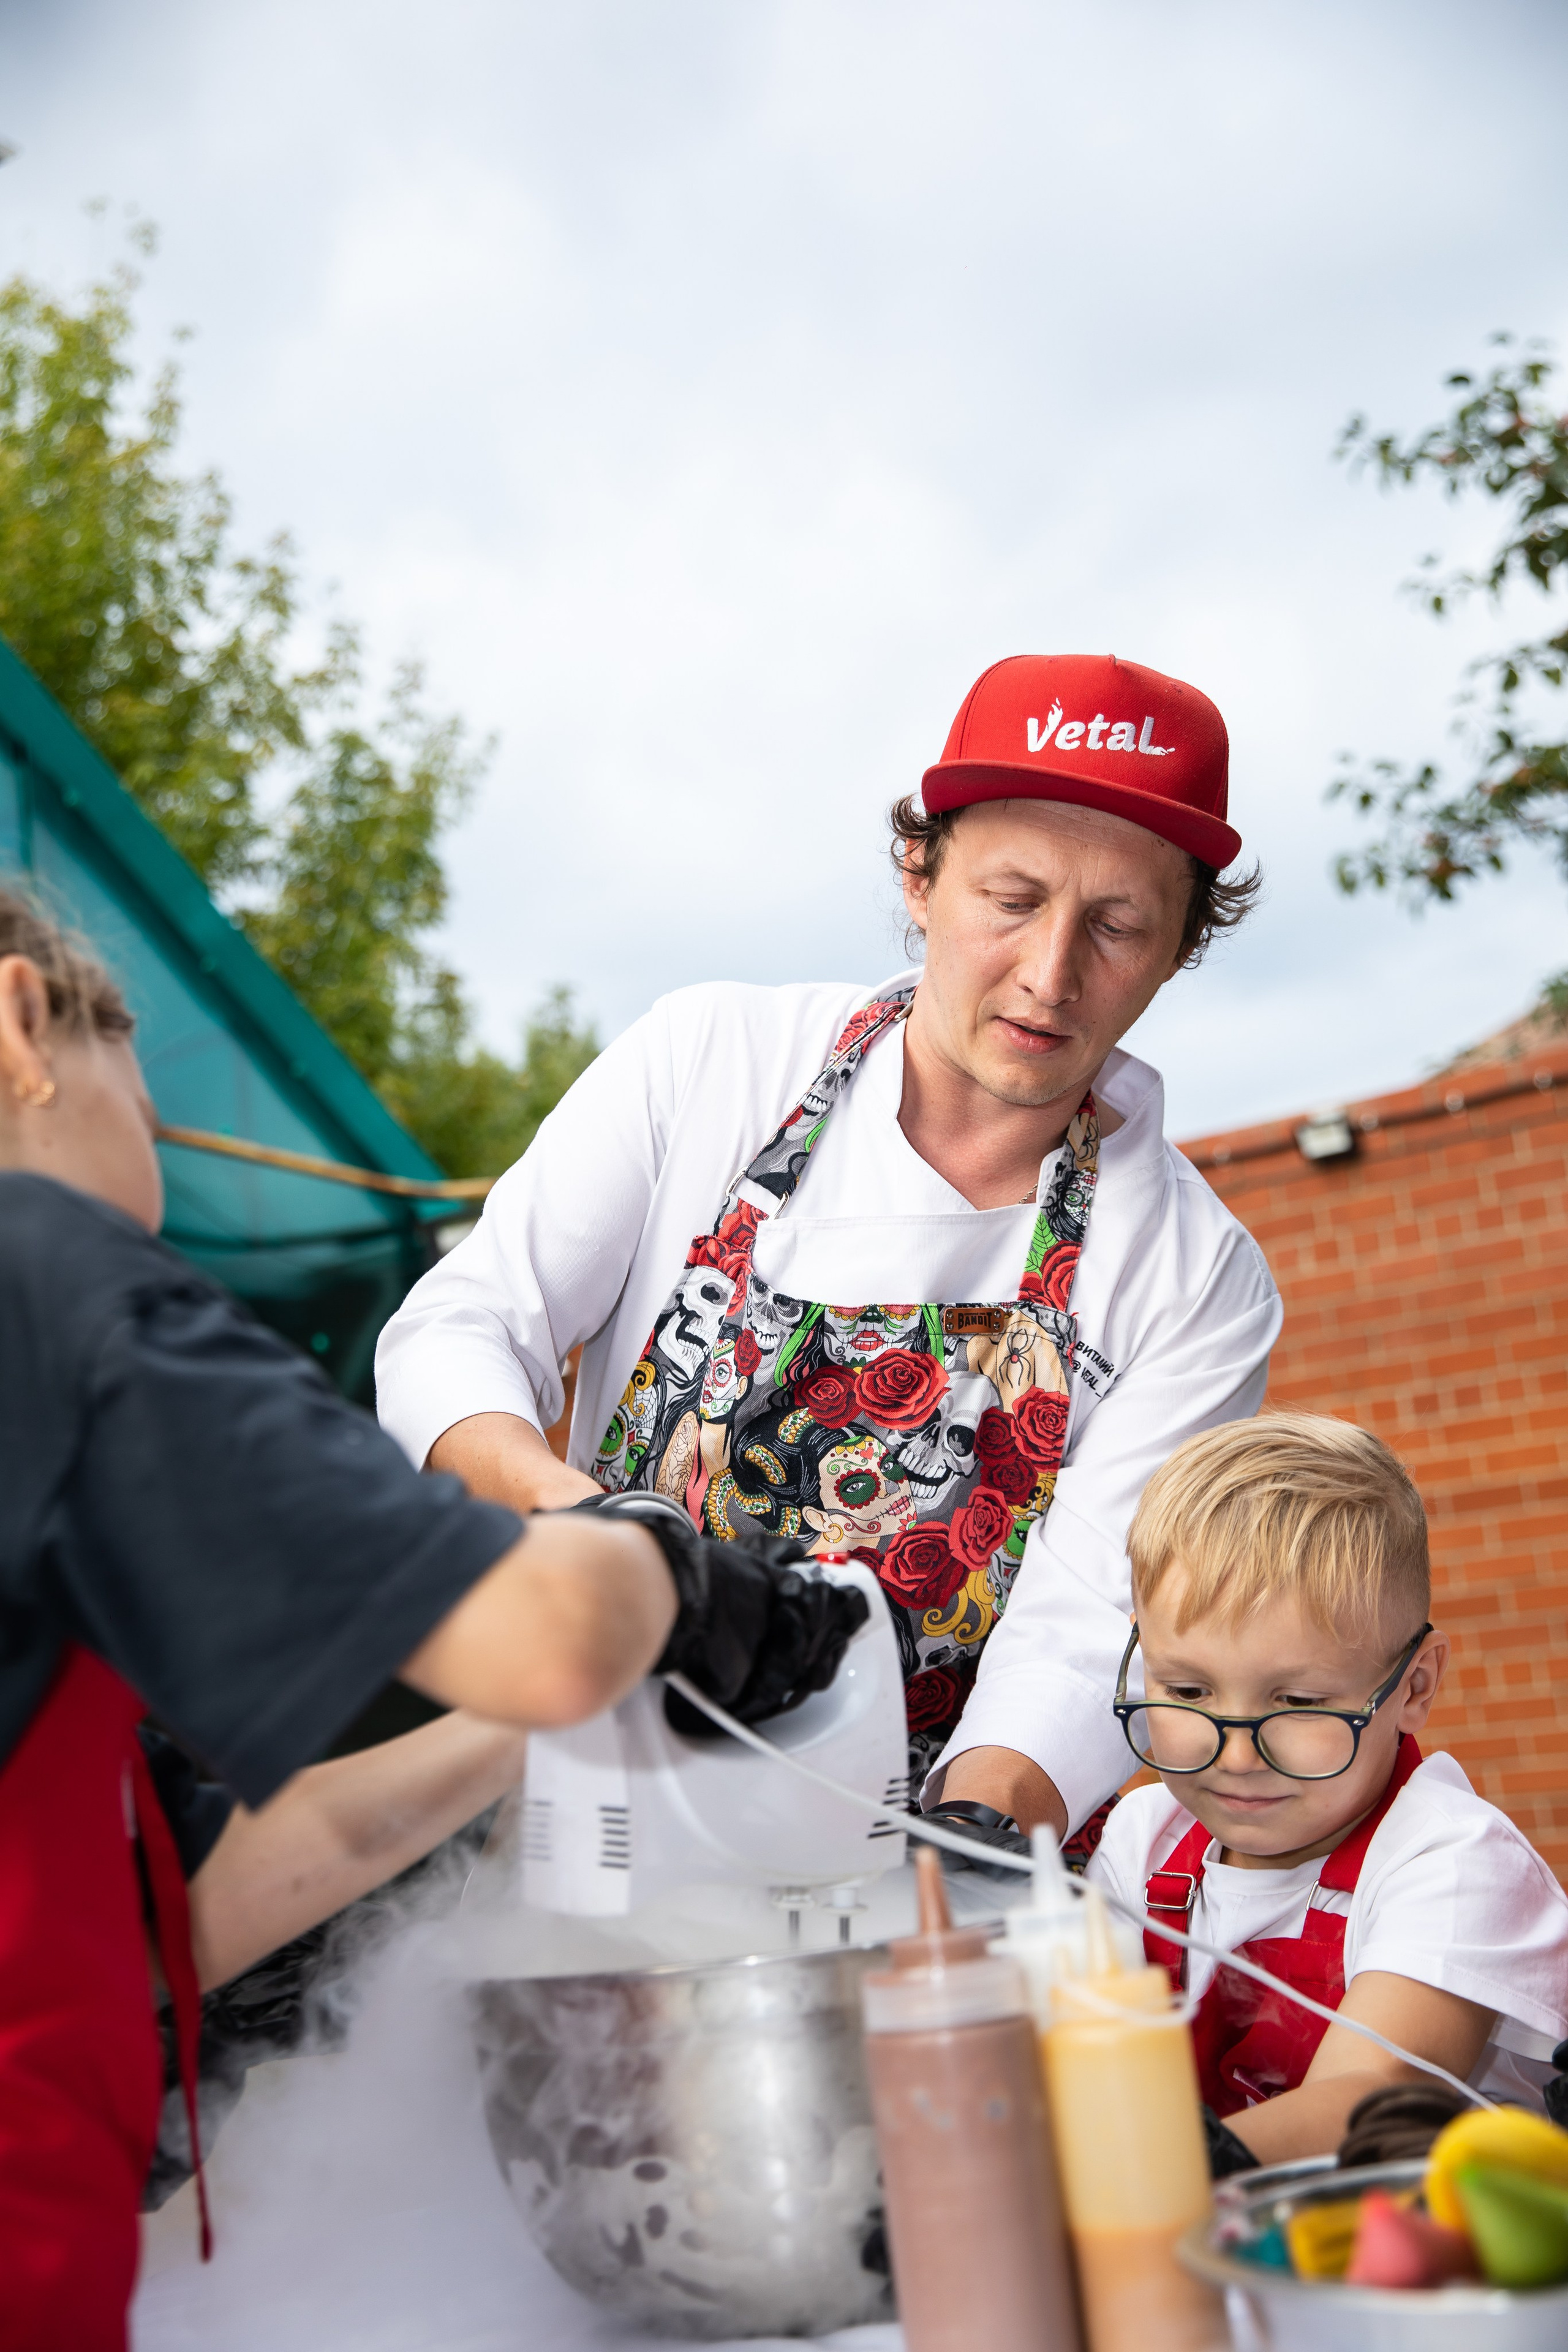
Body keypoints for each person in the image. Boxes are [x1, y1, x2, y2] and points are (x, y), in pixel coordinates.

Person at [0, 888, 865, 2352]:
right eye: (138, 1098)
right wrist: (654, 1562)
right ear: (22, 1025)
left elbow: (172, 1907)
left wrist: (527, 1740)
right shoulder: (39, 1268)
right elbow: (547, 1630)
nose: (144, 1148)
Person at [375, 653, 1283, 1853]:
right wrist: (591, 1533)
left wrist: (952, 1867)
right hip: (580, 1799)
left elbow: (1082, 1628)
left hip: (914, 1860)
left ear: (1175, 952)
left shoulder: (1190, 1274)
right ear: (919, 875)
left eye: (1117, 926)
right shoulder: (711, 1062)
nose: (1049, 973)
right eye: (1010, 901)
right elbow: (463, 1333)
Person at [1087, 1413, 1568, 2163]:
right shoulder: (1141, 1840)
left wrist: (1127, 2179)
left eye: (1299, 1703)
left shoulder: (1452, 1859)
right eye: (1186, 1689)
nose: (1237, 1753)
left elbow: (1366, 2100)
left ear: (1414, 1684)